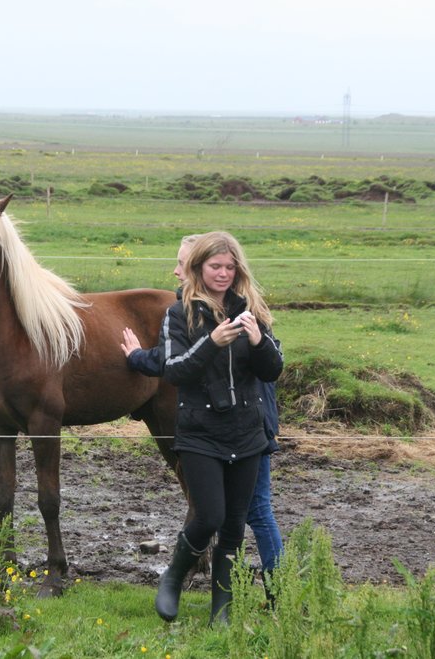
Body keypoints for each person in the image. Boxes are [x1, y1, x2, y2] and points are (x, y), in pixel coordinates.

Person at [126, 231, 283, 625]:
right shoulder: (180, 314)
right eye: (216, 266)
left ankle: (222, 611)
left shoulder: (250, 310)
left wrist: (259, 341)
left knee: (234, 526)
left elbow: (272, 369)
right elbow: (175, 370)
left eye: (230, 267)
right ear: (199, 267)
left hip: (247, 432)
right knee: (208, 516)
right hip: (200, 432)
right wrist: (212, 341)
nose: (223, 273)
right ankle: (173, 577)